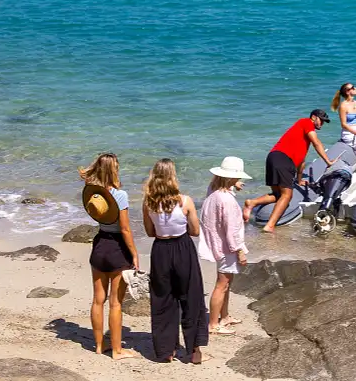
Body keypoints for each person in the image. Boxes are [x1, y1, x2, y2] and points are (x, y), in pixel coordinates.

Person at [142, 158, 209, 364]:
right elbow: (196, 230)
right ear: (173, 177)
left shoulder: (148, 203)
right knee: (191, 296)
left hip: (161, 249)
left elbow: (150, 232)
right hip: (182, 248)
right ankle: (194, 350)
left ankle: (165, 351)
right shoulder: (184, 201)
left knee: (163, 299)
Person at [79, 153, 139, 360]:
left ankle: (98, 345)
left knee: (98, 300)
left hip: (99, 244)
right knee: (115, 303)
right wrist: (135, 254)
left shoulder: (94, 195)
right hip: (116, 248)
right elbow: (125, 228)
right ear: (114, 169)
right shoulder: (120, 195)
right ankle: (117, 350)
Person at [242, 109, 337, 232]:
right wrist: (328, 161)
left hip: (273, 157)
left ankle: (252, 203)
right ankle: (269, 226)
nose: (322, 124)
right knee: (287, 196)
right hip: (283, 160)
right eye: (321, 120)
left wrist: (299, 179)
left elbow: (301, 162)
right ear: (314, 117)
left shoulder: (301, 137)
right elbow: (317, 143)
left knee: (278, 195)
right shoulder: (306, 122)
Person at [200, 156, 251, 335]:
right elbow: (231, 230)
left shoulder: (214, 191)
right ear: (231, 178)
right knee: (222, 284)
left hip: (217, 243)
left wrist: (231, 185)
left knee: (226, 282)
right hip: (227, 246)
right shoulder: (227, 201)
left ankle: (225, 316)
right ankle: (214, 324)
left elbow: (218, 185)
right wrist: (239, 251)